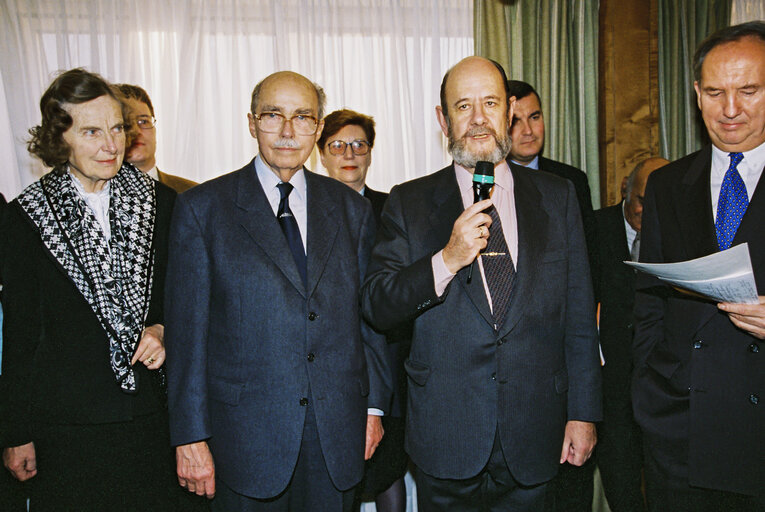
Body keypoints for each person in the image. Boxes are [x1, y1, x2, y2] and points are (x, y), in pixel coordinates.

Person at [361, 56, 601, 511]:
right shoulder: (408, 202)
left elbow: (578, 315)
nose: (477, 120)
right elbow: (377, 304)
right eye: (462, 106)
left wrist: (583, 413)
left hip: (536, 431)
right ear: (443, 119)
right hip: (446, 435)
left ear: (509, 110)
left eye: (489, 103)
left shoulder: (557, 195)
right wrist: (445, 260)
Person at [165, 71, 391, 512]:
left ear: (319, 126)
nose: (288, 131)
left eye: (303, 117)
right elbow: (187, 335)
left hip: (337, 435)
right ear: (251, 123)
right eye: (274, 115)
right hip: (243, 441)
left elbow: (370, 319)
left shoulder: (353, 211)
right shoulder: (202, 209)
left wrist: (375, 408)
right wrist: (190, 436)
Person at [0, 68, 178, 511]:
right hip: (67, 429)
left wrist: (163, 328)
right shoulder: (25, 219)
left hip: (154, 421)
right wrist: (16, 433)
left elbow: (190, 300)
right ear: (60, 139)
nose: (111, 145)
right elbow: (21, 336)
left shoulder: (165, 205)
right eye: (91, 131)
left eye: (117, 127)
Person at [633, 21, 765, 512]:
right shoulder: (668, 184)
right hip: (678, 431)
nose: (730, 110)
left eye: (748, 90)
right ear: (696, 94)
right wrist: (649, 393)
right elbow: (649, 300)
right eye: (714, 92)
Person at [318, 109, 408, 512]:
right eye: (337, 145)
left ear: (371, 152)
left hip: (389, 355)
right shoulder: (307, 210)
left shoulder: (394, 209)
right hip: (330, 361)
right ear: (321, 154)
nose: (349, 153)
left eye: (359, 144)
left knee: (387, 466)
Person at [594, 157, 667, 512]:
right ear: (625, 188)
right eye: (641, 200)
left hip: (662, 385)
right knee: (621, 485)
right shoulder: (592, 227)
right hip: (610, 386)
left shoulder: (678, 231)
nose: (647, 212)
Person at [507, 80, 597, 288]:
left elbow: (589, 254)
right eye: (516, 121)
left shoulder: (571, 180)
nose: (528, 130)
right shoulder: (487, 182)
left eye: (534, 117)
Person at [116, 83, 197, 193]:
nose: (136, 131)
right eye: (127, 124)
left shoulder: (192, 193)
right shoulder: (97, 197)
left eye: (143, 121)